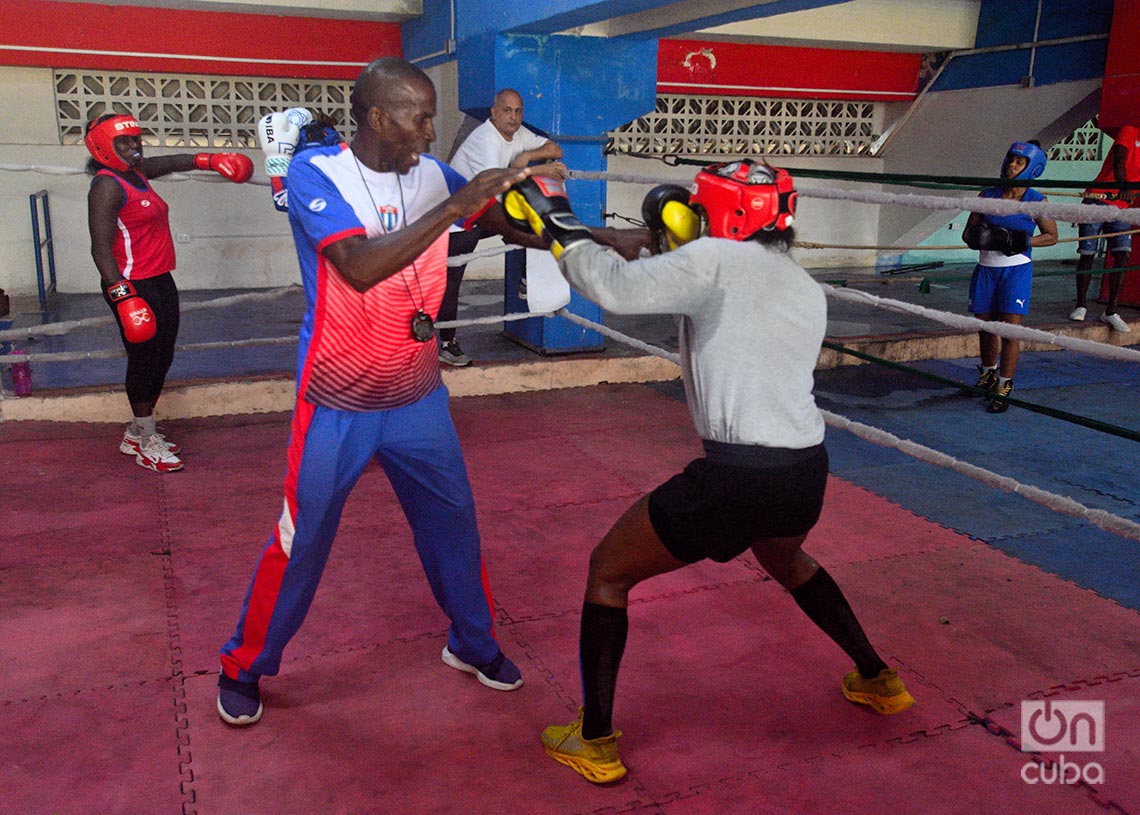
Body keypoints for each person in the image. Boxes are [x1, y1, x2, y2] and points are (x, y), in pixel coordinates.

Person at [502, 160, 916, 785]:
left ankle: (594, 741)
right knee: (787, 559)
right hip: (805, 468)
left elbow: (614, 290)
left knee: (607, 571)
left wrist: (557, 219)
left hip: (737, 477)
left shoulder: (714, 264)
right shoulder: (798, 282)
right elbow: (667, 273)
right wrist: (617, 241)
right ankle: (880, 680)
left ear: (719, 212)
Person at [216, 58, 533, 727]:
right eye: (419, 114)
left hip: (418, 396)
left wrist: (578, 235)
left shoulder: (433, 173)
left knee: (455, 523)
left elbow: (491, 219)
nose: (430, 127)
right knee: (301, 538)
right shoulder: (315, 174)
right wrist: (456, 201)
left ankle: (471, 643)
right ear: (377, 115)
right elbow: (358, 267)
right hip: (338, 398)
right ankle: (243, 663)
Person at [85, 113, 253, 472]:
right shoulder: (107, 186)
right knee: (144, 358)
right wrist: (123, 296)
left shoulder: (136, 173)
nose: (133, 148)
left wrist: (211, 160)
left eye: (135, 140)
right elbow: (100, 249)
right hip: (131, 283)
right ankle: (146, 439)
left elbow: (171, 161)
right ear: (102, 147)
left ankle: (135, 432)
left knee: (163, 355)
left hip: (160, 277)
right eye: (123, 143)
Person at [438, 89, 568, 366]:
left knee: (532, 214)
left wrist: (527, 157)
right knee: (449, 283)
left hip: (484, 213)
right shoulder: (485, 139)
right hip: (457, 220)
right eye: (507, 111)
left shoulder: (519, 135)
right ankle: (446, 343)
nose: (513, 117)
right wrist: (537, 170)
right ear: (494, 113)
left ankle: (525, 278)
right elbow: (495, 181)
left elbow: (555, 149)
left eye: (517, 111)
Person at [962, 141, 1058, 413]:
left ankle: (1004, 385)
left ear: (1032, 167)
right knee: (985, 327)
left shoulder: (1037, 202)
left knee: (1010, 330)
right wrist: (982, 236)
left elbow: (1052, 236)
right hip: (986, 268)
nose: (1011, 165)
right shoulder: (987, 196)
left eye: (1019, 162)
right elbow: (968, 235)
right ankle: (988, 374)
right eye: (1011, 159)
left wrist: (1022, 240)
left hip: (1015, 270)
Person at [1069, 119, 1138, 333]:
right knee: (1087, 253)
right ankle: (1080, 305)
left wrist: (1130, 192)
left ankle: (1111, 311)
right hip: (1098, 197)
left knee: (1122, 255)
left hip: (1122, 206)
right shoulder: (1129, 129)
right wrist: (1122, 184)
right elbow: (1119, 158)